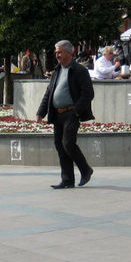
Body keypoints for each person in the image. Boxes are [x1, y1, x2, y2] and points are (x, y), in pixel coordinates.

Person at [36, 39, 95, 189]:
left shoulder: (79, 70)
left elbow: (88, 93)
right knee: (60, 146)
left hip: (71, 113)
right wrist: (40, 113)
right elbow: (49, 92)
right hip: (57, 114)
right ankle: (67, 180)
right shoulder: (57, 70)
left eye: (60, 52)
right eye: (56, 52)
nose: (57, 55)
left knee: (68, 143)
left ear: (69, 52)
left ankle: (85, 169)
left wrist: (76, 111)